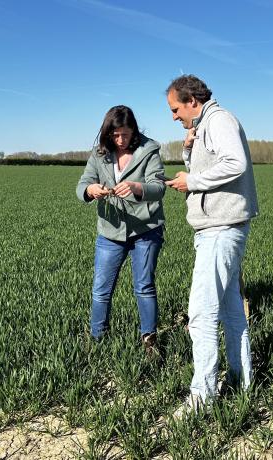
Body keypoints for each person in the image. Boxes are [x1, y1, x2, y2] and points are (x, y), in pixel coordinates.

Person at [164, 75, 259, 413]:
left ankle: (202, 397)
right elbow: (208, 166)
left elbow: (235, 163)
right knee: (233, 311)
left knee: (201, 315)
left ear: (192, 100)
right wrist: (189, 152)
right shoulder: (205, 126)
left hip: (221, 229)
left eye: (175, 109)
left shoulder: (219, 121)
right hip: (219, 227)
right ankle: (241, 380)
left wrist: (193, 181)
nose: (174, 116)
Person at [76, 105, 166, 352]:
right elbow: (82, 184)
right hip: (110, 231)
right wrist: (90, 190)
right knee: (101, 288)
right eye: (115, 135)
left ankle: (149, 341)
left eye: (125, 134)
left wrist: (138, 188)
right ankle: (97, 339)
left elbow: (159, 187)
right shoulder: (99, 154)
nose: (120, 140)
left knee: (144, 285)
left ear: (133, 130)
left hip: (145, 229)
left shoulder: (149, 150)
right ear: (107, 133)